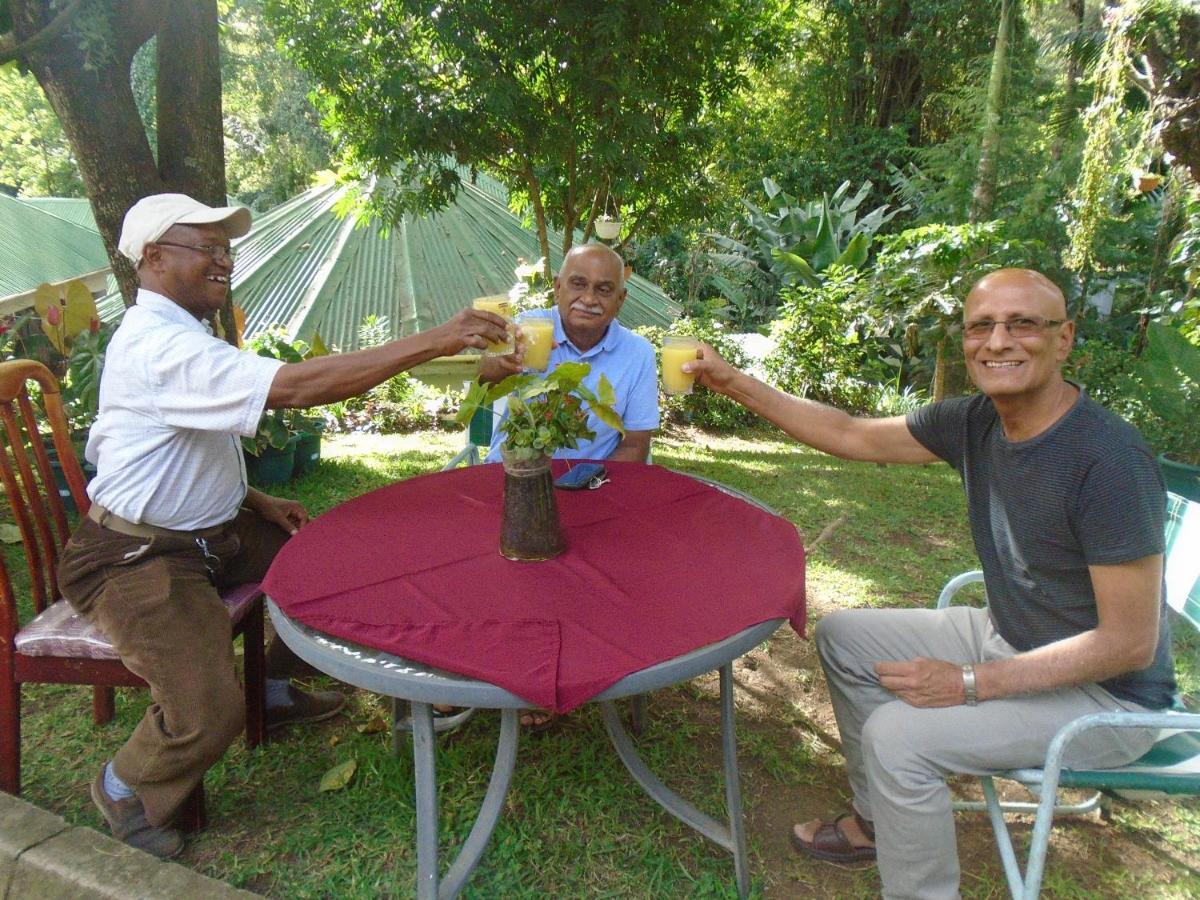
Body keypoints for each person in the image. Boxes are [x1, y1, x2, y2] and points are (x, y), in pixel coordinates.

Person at [683, 268, 1174, 898]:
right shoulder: (977, 422)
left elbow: (1129, 643)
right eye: (981, 326)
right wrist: (731, 382)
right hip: (1014, 635)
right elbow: (850, 434)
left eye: (1022, 323)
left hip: (1109, 699)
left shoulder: (1108, 459)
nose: (998, 341)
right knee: (844, 636)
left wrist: (970, 684)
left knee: (899, 736)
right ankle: (877, 823)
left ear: (1064, 339)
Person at [56, 193, 508, 859]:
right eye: (205, 248)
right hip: (136, 556)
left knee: (333, 563)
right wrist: (435, 340)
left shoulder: (184, 333)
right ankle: (124, 787)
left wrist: (255, 498)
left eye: (224, 249)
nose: (223, 262)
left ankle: (272, 685)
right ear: (153, 259)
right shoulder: (159, 346)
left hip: (211, 531)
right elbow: (296, 387)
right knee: (210, 715)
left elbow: (169, 448)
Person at [479, 243, 658, 464]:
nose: (589, 299)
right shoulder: (530, 327)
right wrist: (501, 362)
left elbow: (635, 445)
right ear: (558, 288)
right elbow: (484, 380)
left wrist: (587, 482)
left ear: (620, 299)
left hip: (591, 484)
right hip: (512, 472)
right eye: (578, 284)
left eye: (604, 290)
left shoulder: (638, 353)